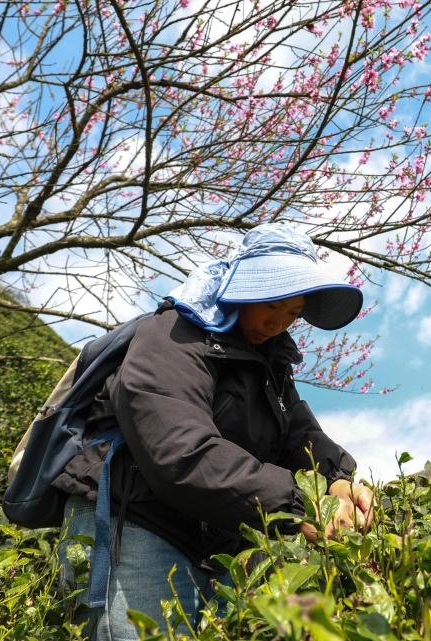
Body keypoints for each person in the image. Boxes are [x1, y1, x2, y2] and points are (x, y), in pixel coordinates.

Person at [53, 223, 374, 641]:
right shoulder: (172, 336)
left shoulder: (268, 366)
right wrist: (300, 506)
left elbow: (302, 436)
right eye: (271, 306)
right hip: (136, 521)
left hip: (210, 536)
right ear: (245, 290)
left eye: (293, 314)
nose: (278, 324)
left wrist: (337, 482)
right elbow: (182, 452)